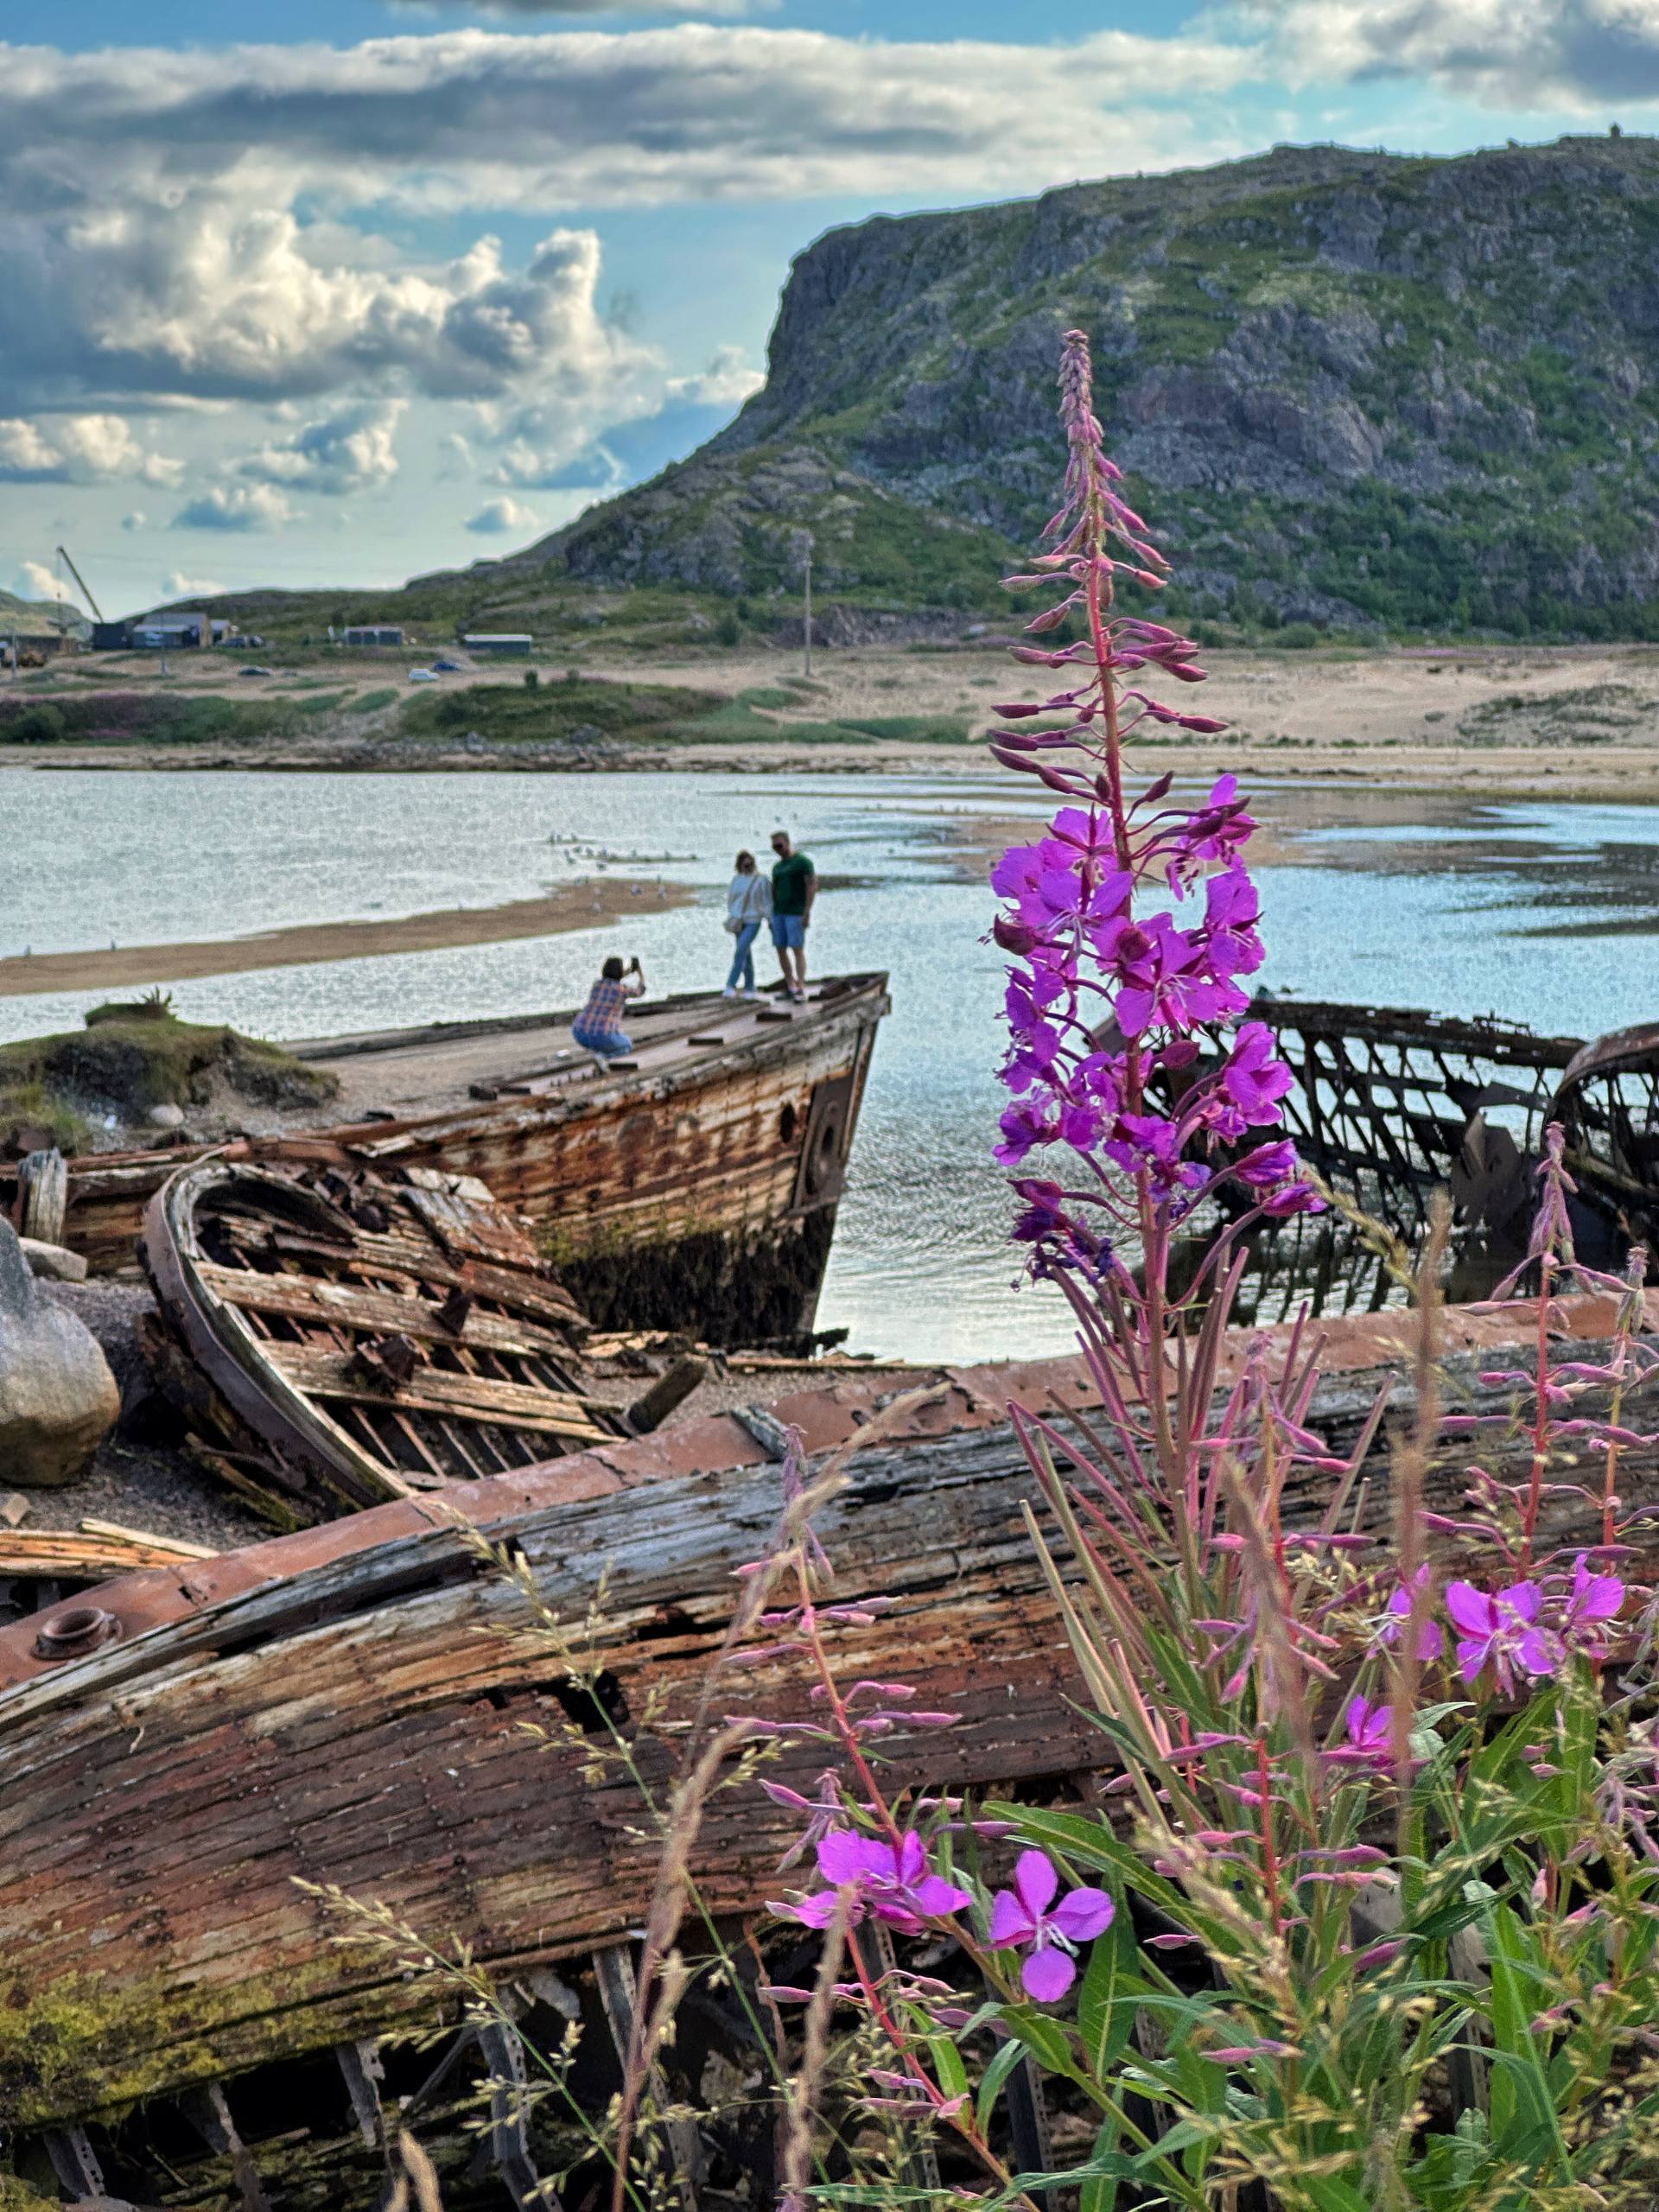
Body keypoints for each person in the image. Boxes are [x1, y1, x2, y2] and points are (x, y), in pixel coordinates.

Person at [769, 829, 816, 1001]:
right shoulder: (777, 867)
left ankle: (801, 985)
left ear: (788, 843)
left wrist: (807, 912)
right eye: (774, 847)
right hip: (779, 912)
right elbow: (773, 890)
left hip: (796, 912)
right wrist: (771, 915)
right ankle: (790, 984)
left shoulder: (803, 862)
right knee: (780, 948)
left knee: (797, 948)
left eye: (780, 845)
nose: (778, 849)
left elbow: (811, 886)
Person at [572, 954, 645, 1058]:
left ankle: (600, 1053)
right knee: (626, 1045)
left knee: (611, 1037)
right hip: (601, 1036)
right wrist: (639, 972)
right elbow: (640, 991)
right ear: (620, 973)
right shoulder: (622, 990)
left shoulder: (596, 984)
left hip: (579, 1032)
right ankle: (603, 1058)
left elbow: (612, 978)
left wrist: (630, 970)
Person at [723, 849, 771, 998]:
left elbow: (767, 901)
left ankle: (731, 984)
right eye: (744, 864)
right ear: (739, 865)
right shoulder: (736, 880)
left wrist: (770, 919)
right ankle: (750, 987)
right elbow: (731, 900)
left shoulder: (761, 880)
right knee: (745, 954)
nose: (747, 866)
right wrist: (734, 916)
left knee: (741, 950)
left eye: (749, 863)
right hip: (739, 922)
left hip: (754, 921)